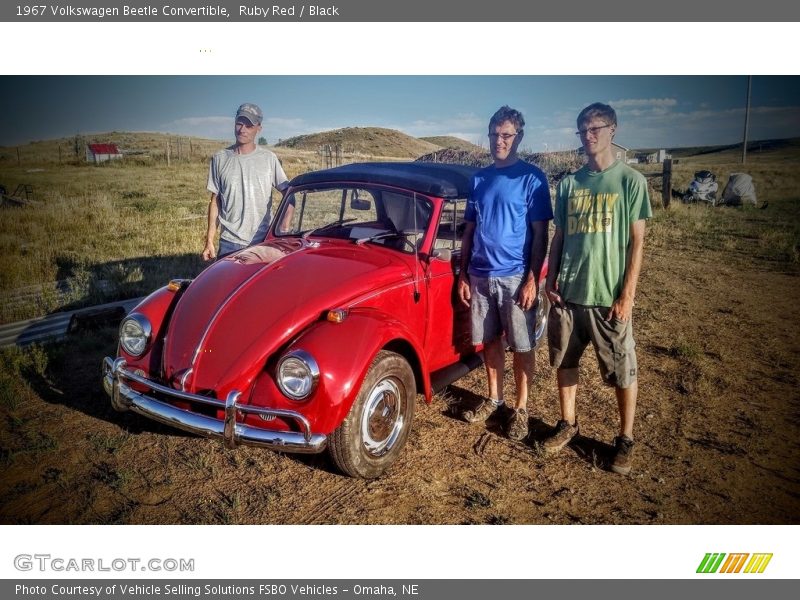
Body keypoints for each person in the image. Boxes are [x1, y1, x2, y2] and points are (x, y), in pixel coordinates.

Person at [543, 102, 651, 475]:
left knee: (623, 370)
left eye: (595, 129)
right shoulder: (570, 184)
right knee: (565, 362)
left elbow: (637, 242)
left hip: (608, 297)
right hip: (570, 294)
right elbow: (559, 236)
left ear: (613, 131)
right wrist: (549, 278)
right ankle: (567, 424)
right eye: (582, 131)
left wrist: (627, 295)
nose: (588, 137)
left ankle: (625, 439)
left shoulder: (631, 182)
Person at [457, 106, 552, 441]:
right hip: (481, 275)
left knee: (523, 345)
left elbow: (541, 233)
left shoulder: (532, 178)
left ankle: (521, 408)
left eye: (507, 135)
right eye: (495, 134)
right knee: (490, 342)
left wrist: (532, 279)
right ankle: (494, 398)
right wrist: (464, 274)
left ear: (519, 137)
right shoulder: (479, 179)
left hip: (515, 276)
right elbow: (469, 229)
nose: (499, 141)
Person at [202, 103, 289, 260]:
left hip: (261, 242)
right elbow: (215, 202)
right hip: (229, 243)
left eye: (249, 125)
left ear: (258, 129)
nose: (242, 129)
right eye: (239, 123)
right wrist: (209, 240)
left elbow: (290, 195)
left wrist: (283, 229)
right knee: (227, 284)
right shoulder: (219, 159)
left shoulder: (269, 159)